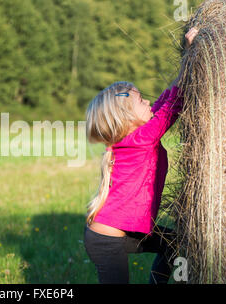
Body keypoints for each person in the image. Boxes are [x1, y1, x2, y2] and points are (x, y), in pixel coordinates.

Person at [83, 28, 199, 284]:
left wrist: (186, 60)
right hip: (108, 240)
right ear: (126, 118)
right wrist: (189, 55)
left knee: (174, 243)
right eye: (140, 101)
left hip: (120, 233)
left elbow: (163, 102)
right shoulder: (140, 140)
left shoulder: (134, 137)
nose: (148, 102)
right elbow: (172, 106)